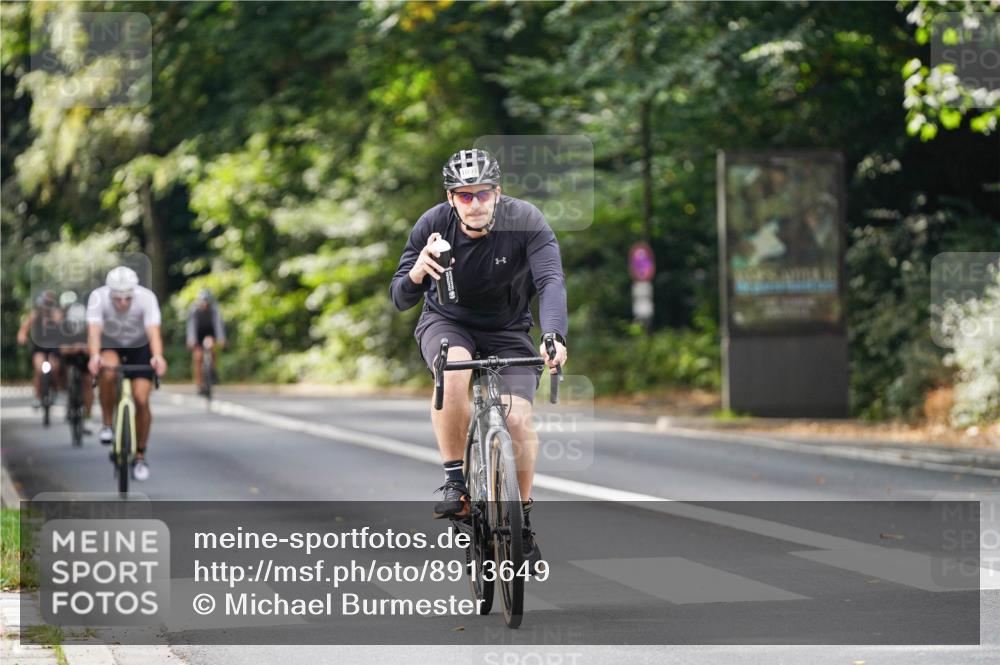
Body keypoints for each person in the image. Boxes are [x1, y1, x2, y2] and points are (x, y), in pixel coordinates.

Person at [389, 148, 568, 570]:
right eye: (464, 196)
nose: (474, 204)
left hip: (508, 331)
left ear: (497, 193)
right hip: (448, 323)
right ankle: (455, 482)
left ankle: (521, 519)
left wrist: (554, 334)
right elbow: (399, 297)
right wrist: (417, 272)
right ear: (451, 199)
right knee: (452, 373)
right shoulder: (433, 225)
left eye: (482, 194)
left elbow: (550, 279)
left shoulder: (525, 221)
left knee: (519, 420)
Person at [86, 267, 168, 481]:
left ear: (134, 292)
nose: (122, 303)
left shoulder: (146, 298)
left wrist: (158, 356)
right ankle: (107, 424)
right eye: (117, 298)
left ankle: (140, 454)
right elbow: (94, 332)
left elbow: (154, 332)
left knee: (141, 399)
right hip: (111, 344)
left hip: (139, 346)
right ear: (109, 293)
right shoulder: (98, 298)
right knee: (108, 371)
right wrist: (95, 356)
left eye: (127, 298)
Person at [16, 291, 63, 409]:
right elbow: (23, 329)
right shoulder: (34, 315)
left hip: (53, 348)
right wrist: (22, 338)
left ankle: (55, 392)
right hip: (39, 348)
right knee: (39, 370)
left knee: (55, 370)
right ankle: (37, 396)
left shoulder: (57, 315)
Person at [58, 296, 95, 422]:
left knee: (88, 381)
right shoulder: (64, 328)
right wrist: (74, 348)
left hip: (85, 358)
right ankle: (69, 402)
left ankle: (88, 413)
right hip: (70, 358)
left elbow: (95, 346)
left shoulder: (91, 327)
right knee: (65, 373)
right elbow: (62, 349)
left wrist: (86, 348)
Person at [186, 288, 226, 394]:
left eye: (207, 303)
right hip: (198, 332)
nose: (205, 305)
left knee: (211, 346)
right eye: (203, 302)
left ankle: (212, 370)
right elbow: (192, 326)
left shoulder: (215, 309)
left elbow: (218, 325)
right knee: (197, 357)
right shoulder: (194, 309)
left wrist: (221, 339)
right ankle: (199, 384)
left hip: (209, 331)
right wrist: (191, 340)